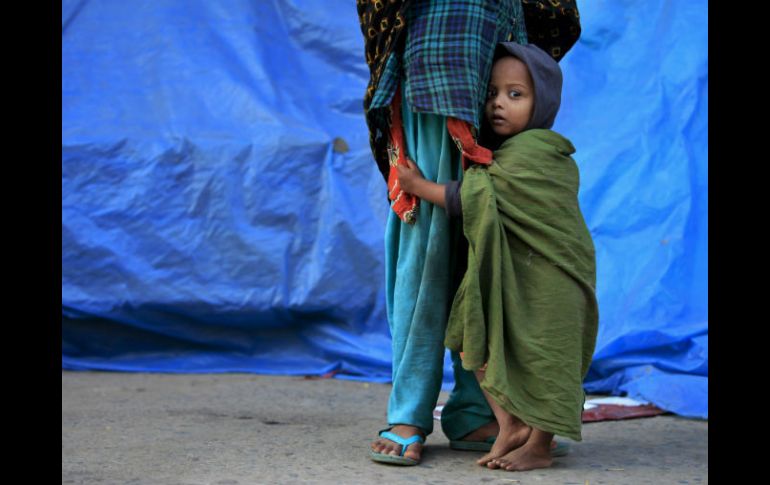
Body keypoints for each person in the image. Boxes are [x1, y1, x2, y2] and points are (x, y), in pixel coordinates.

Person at [356, 0, 584, 467]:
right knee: (427, 251)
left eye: (516, 95)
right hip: (441, 45)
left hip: (496, 28)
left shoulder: (537, 147)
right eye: (503, 95)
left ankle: (477, 412)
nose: (502, 101)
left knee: (485, 265)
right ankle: (409, 414)